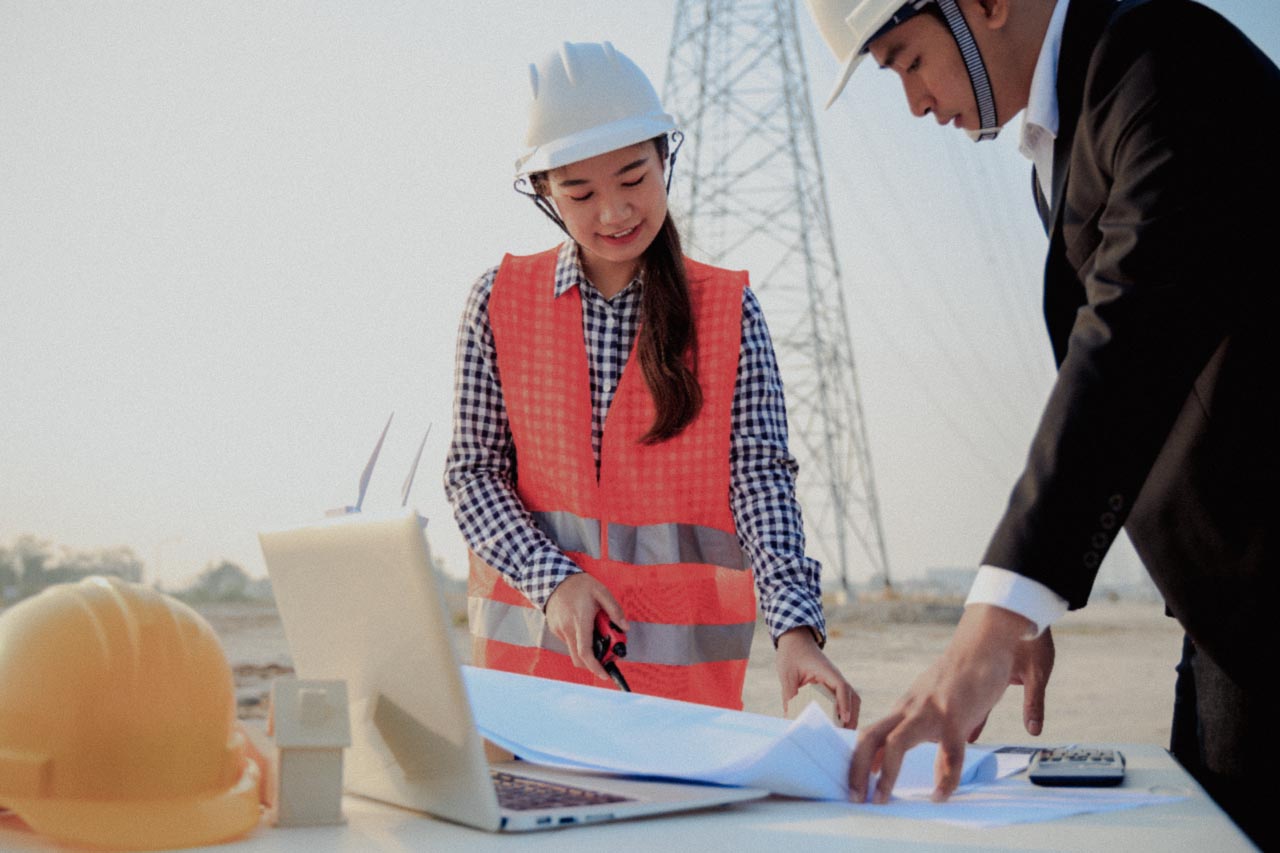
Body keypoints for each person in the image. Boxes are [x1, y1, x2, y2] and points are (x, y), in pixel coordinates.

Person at [808, 0, 1278, 844]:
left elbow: (1129, 346)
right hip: (1225, 613)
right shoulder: (1061, 141)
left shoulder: (1158, 65)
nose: (915, 103)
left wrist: (990, 626)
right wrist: (1028, 608)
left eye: (908, 60)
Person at [444, 41, 859, 723]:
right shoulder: (498, 302)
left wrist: (796, 631)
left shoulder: (725, 313)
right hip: (530, 703)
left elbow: (760, 483)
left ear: (666, 158)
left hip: (680, 713)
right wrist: (556, 584)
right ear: (546, 193)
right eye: (580, 192)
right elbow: (473, 476)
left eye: (634, 178)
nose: (613, 212)